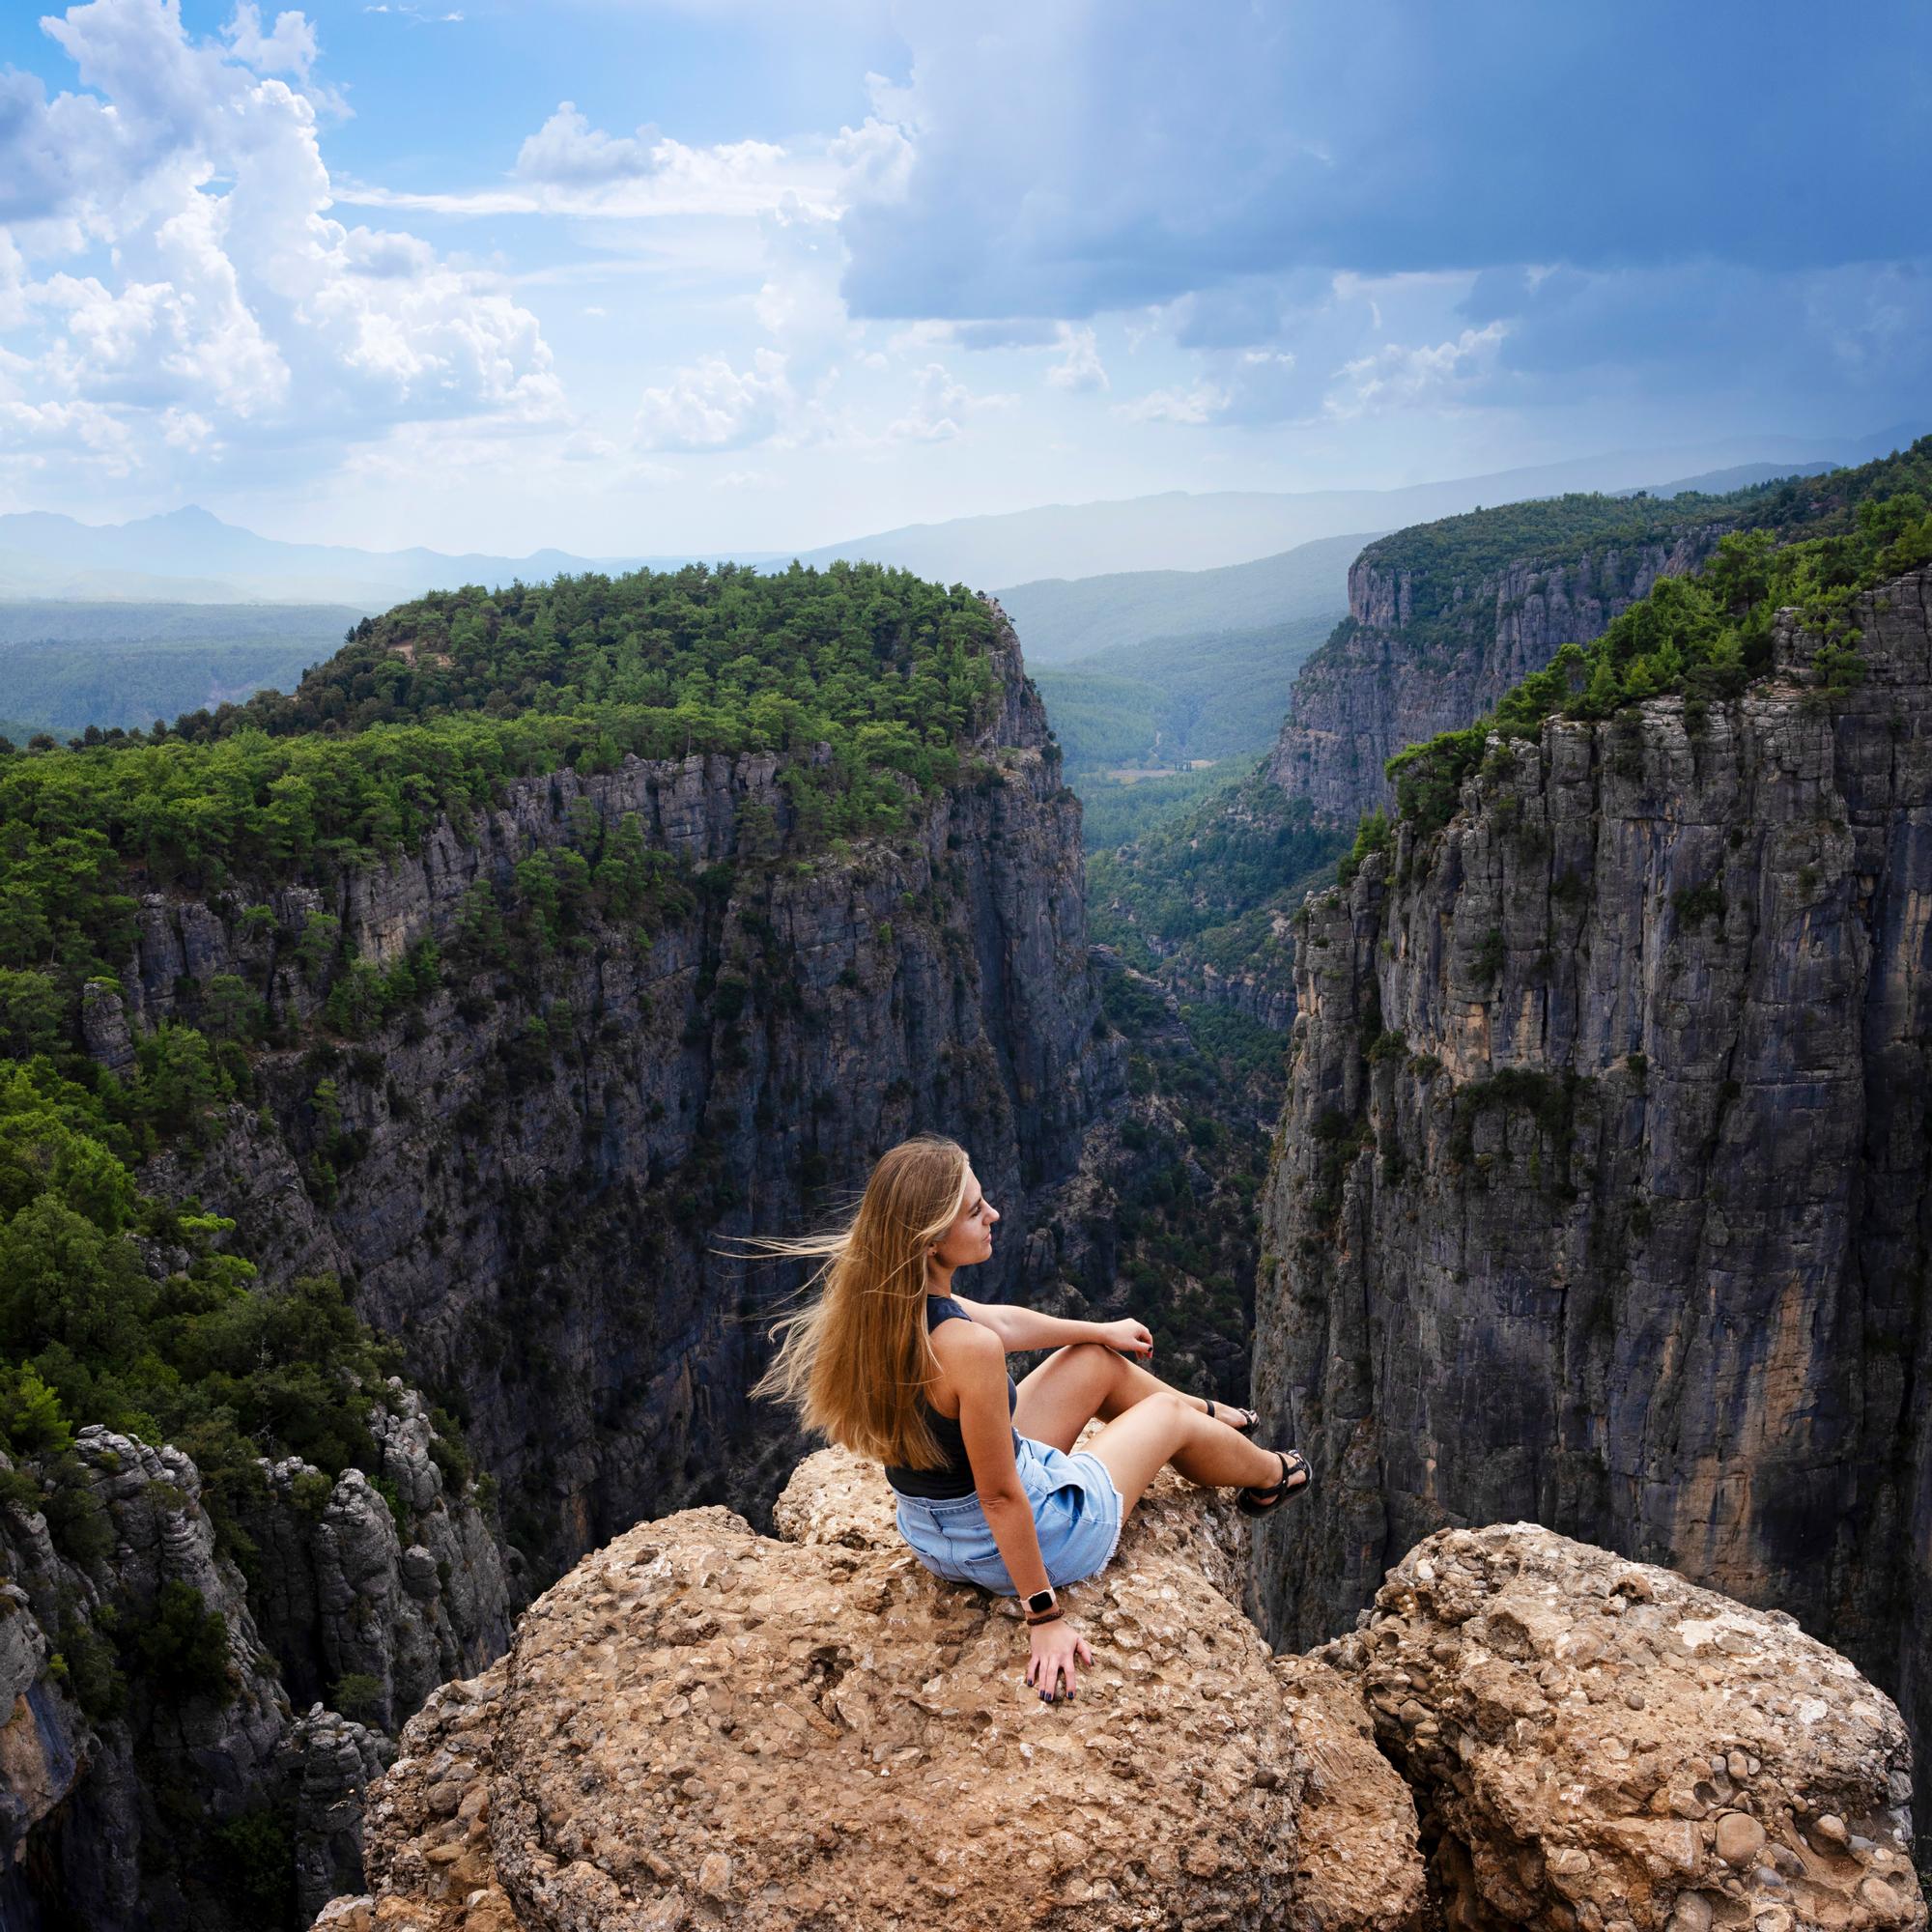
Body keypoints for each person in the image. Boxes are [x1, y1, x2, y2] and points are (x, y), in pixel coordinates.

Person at [750, 1133, 1308, 1705]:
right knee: (1162, 1413)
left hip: (932, 1531)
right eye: (974, 1211)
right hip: (1027, 1538)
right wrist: (1043, 1616)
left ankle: (1211, 1413)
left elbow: (1006, 1324)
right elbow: (999, 1496)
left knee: (1092, 1360)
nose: (993, 1215)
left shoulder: (881, 1307)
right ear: (930, 1241)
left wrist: (1099, 1331)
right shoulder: (968, 1351)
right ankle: (1271, 1475)